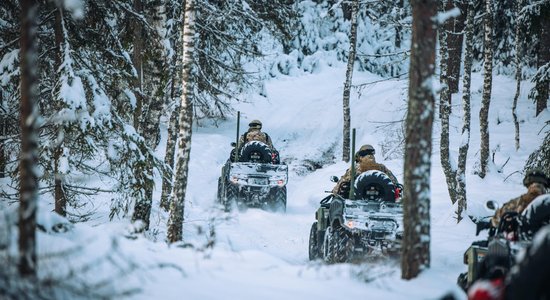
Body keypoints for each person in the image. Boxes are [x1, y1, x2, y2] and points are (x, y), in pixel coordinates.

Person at [332, 144, 399, 197]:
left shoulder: (355, 168)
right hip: (382, 202)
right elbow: (395, 183)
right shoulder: (382, 168)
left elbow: (341, 185)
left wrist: (334, 191)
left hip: (357, 202)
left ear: (360, 157)